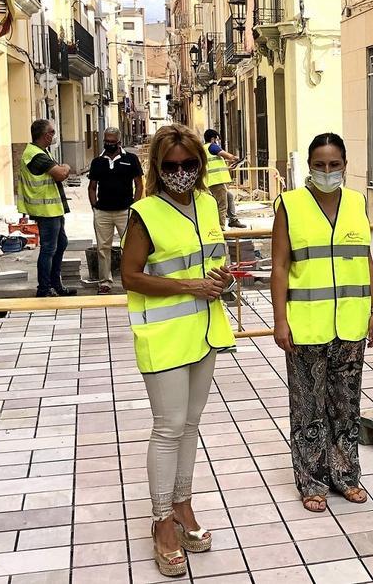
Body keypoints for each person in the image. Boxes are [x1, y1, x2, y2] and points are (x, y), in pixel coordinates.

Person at [120, 124, 236, 577]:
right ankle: (161, 523)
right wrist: (187, 285)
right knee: (167, 429)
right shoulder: (144, 213)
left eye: (190, 164)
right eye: (172, 166)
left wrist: (221, 277)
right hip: (165, 337)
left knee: (190, 427)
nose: (182, 173)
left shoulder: (208, 203)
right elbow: (130, 276)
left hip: (205, 332)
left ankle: (183, 506)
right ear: (157, 168)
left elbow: (212, 258)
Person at [271, 133, 373, 513]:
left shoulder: (357, 203)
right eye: (319, 164)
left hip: (350, 324)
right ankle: (311, 480)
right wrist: (279, 320)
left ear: (345, 166)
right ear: (310, 167)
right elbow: (280, 266)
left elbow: (365, 259)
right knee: (308, 407)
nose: (327, 171)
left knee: (346, 405)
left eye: (334, 164)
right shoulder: (290, 205)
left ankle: (346, 475)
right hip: (306, 325)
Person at [17, 119, 77, 298]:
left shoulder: (41, 152)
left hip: (53, 209)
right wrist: (65, 166)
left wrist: (61, 168)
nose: (54, 135)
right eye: (52, 132)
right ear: (45, 135)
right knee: (49, 248)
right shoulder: (36, 155)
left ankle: (55, 285)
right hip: (46, 210)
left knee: (61, 244)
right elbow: (60, 174)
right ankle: (44, 289)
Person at [88, 126, 144, 294]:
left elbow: (139, 185)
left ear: (119, 142)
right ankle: (105, 282)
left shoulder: (131, 159)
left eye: (112, 142)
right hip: (103, 212)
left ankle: (132, 280)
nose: (109, 144)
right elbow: (92, 187)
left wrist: (134, 207)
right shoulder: (97, 162)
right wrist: (95, 206)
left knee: (129, 247)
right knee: (102, 248)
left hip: (124, 211)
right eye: (106, 141)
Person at [203, 129, 247, 229]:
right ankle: (221, 228)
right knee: (222, 205)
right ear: (213, 138)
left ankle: (233, 220)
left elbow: (212, 166)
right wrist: (236, 158)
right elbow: (228, 156)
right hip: (216, 181)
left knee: (230, 196)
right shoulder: (212, 146)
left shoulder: (204, 148)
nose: (217, 142)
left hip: (212, 181)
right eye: (217, 139)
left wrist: (228, 168)